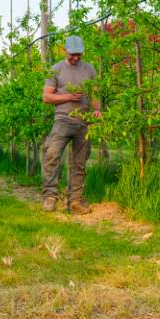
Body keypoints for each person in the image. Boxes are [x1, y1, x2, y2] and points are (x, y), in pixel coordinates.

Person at [40, 35, 100, 213]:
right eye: (72, 54)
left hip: (84, 122)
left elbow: (95, 93)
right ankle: (50, 196)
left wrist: (97, 110)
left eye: (79, 54)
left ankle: (75, 201)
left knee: (80, 162)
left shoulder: (89, 69)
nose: (75, 58)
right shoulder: (56, 69)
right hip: (63, 120)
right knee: (51, 154)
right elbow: (47, 97)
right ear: (65, 50)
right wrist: (68, 97)